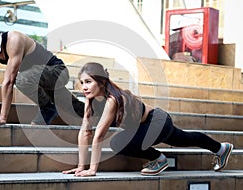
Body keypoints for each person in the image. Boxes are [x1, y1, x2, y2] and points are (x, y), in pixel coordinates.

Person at [62, 62, 233, 176]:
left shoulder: (111, 100)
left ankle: (158, 159)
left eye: (88, 82)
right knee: (185, 138)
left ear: (100, 82)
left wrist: (92, 169)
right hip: (143, 128)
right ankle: (221, 148)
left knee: (117, 143)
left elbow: (98, 135)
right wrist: (81, 166)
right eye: (82, 82)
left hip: (157, 121)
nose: (84, 87)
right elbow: (85, 133)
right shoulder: (90, 101)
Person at [0, 12, 84, 129]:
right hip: (37, 78)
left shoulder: (14, 39)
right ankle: (95, 110)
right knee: (74, 107)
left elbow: (9, 81)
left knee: (22, 79)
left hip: (57, 72)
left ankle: (47, 108)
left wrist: (2, 118)